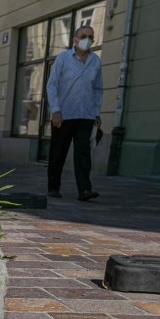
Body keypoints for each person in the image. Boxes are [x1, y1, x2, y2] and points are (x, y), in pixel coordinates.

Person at [46, 25, 103, 201]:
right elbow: (52, 85)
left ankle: (84, 190)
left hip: (85, 115)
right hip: (63, 115)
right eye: (84, 36)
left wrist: (96, 113)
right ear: (75, 40)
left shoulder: (95, 61)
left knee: (83, 153)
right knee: (58, 152)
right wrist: (55, 110)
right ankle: (53, 187)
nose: (88, 39)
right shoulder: (63, 58)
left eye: (91, 37)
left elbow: (98, 89)